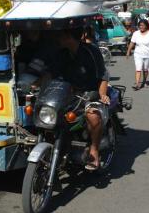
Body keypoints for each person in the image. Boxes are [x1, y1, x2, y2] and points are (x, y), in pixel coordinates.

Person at [28, 28, 110, 171]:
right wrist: (35, 85)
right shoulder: (61, 53)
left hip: (90, 92)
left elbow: (103, 76)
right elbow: (51, 74)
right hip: (67, 93)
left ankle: (94, 150)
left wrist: (102, 95)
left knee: (93, 116)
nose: (58, 39)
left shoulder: (91, 51)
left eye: (61, 36)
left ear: (70, 37)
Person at [126, 19, 149, 90]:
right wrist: (128, 51)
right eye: (140, 25)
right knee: (138, 69)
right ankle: (137, 84)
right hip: (138, 54)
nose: (141, 27)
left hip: (147, 54)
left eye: (143, 25)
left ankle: (144, 81)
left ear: (146, 26)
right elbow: (132, 43)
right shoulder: (136, 33)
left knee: (145, 69)